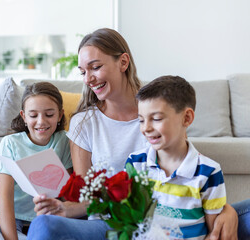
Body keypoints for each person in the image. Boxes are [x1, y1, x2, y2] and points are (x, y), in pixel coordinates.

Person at [27, 28, 242, 240]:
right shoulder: (84, 123)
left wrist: (225, 210)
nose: (88, 79)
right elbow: (86, 195)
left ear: (123, 62)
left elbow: (183, 171)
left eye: (95, 67)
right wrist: (64, 209)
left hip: (164, 215)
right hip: (109, 223)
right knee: (43, 226)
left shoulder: (158, 106)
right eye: (83, 72)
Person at [0, 82, 73, 240]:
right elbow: (5, 200)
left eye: (49, 114)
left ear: (60, 115)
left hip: (18, 224)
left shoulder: (64, 142)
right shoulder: (10, 143)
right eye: (33, 115)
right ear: (24, 116)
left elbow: (66, 194)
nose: (41, 121)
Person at [126, 75, 226, 239]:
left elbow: (213, 233)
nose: (146, 128)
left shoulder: (209, 172)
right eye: (141, 120)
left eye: (156, 119)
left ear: (186, 118)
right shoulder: (135, 163)